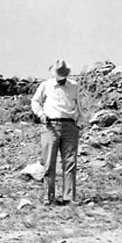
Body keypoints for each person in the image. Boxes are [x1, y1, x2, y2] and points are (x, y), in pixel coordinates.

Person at [31, 59, 84, 205]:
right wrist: (41, 115)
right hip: (50, 126)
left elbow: (78, 105)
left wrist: (79, 123)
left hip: (69, 125)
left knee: (70, 163)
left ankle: (69, 197)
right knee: (49, 163)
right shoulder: (46, 85)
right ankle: (49, 197)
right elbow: (35, 101)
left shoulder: (74, 86)